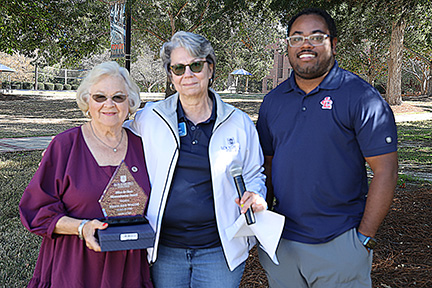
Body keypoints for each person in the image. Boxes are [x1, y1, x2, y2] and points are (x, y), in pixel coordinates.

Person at [256, 8, 398, 288]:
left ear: (333, 44)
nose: (305, 44)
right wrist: (262, 228)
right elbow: (267, 166)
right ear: (288, 46)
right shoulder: (274, 101)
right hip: (282, 244)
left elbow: (386, 171)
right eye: (296, 38)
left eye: (316, 37)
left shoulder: (360, 97)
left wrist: (363, 238)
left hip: (339, 243)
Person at [124, 31, 267, 288]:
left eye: (196, 66)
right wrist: (69, 146)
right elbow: (109, 135)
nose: (187, 75)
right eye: (178, 68)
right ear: (170, 75)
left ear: (210, 69)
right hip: (165, 249)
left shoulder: (239, 122)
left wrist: (256, 194)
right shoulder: (150, 117)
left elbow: (255, 174)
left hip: (219, 251)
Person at [19, 61, 153, 288]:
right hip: (75, 265)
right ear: (87, 101)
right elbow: (36, 209)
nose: (109, 104)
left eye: (118, 97)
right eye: (100, 97)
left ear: (129, 103)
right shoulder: (65, 146)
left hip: (127, 268)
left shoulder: (144, 148)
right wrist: (81, 227)